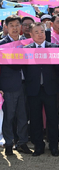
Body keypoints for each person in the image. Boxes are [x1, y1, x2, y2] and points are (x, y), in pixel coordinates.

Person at [23, 22, 59, 157]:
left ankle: (54, 146)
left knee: (52, 119)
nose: (40, 34)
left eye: (42, 31)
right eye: (37, 32)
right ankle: (38, 146)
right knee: (35, 119)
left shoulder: (55, 48)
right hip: (33, 89)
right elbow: (24, 70)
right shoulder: (26, 50)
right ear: (31, 35)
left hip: (50, 89)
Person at [0, 15, 32, 156]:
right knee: (9, 116)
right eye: (11, 25)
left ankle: (22, 142)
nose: (15, 28)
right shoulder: (2, 44)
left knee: (23, 115)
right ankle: (8, 143)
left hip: (26, 84)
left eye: (17, 25)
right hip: (8, 85)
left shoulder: (27, 43)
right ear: (6, 27)